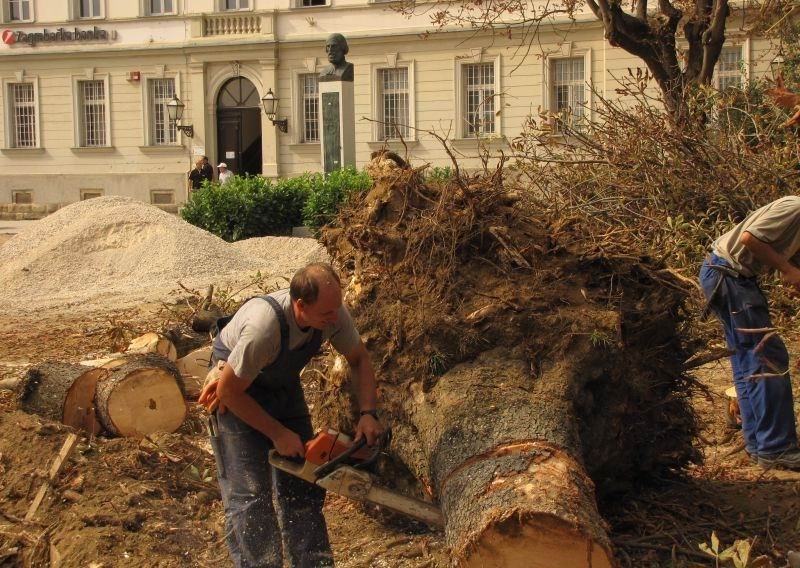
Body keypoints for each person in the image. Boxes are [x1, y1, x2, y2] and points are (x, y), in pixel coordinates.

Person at [198, 263, 383, 567]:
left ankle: (313, 562)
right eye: (326, 313)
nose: (335, 318)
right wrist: (277, 433)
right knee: (250, 495)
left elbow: (359, 359)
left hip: (281, 382)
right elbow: (229, 392)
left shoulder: (331, 311)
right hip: (236, 387)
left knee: (303, 482)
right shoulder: (263, 329)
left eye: (336, 308)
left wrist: (368, 412)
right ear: (300, 306)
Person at [699, 196, 800, 470]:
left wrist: (792, 272)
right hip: (729, 277)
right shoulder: (796, 207)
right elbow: (750, 238)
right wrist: (788, 269)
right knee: (767, 359)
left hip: (724, 276)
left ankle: (759, 444)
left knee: (748, 363)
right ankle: (776, 448)